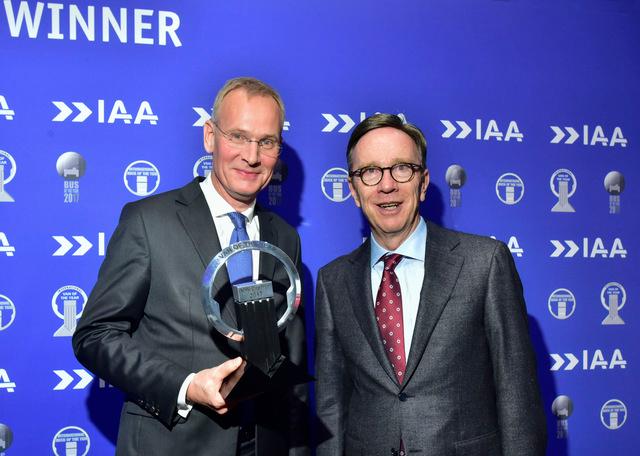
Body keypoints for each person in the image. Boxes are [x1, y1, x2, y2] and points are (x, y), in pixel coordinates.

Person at [73, 77, 308, 456]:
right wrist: (185, 386)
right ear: (210, 136)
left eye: (267, 142)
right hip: (172, 443)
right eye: (238, 136)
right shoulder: (148, 221)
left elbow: (291, 359)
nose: (252, 156)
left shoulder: (284, 237)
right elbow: (95, 336)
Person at [314, 113, 546, 456]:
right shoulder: (333, 281)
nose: (386, 185)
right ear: (353, 190)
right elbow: (331, 408)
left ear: (423, 183)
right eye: (370, 171)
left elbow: (518, 400)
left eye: (401, 168)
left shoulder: (485, 263)